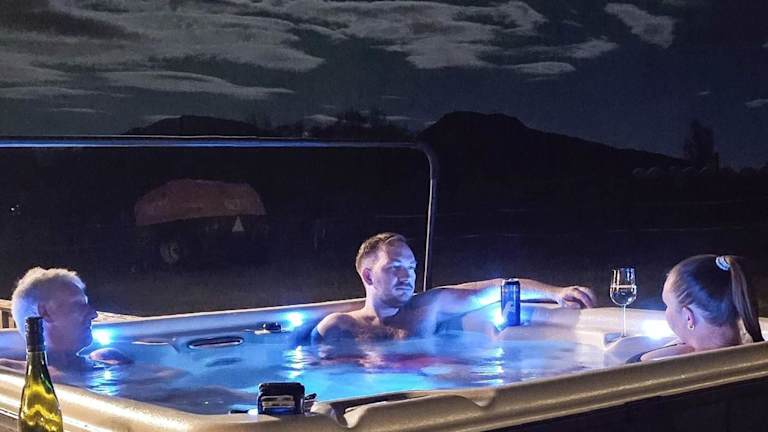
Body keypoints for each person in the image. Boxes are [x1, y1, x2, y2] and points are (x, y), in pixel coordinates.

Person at [312, 232, 596, 343]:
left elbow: (500, 287)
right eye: (395, 267)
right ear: (368, 276)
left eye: (412, 267)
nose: (408, 276)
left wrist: (556, 293)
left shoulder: (429, 307)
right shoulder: (339, 327)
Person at [638, 254, 763, 362]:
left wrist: (644, 359)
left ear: (689, 318)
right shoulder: (757, 355)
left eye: (667, 305)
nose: (666, 312)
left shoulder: (663, 369)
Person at [2, 267, 130, 372]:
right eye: (78, 305)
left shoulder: (109, 358)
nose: (93, 314)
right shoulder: (10, 373)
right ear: (46, 313)